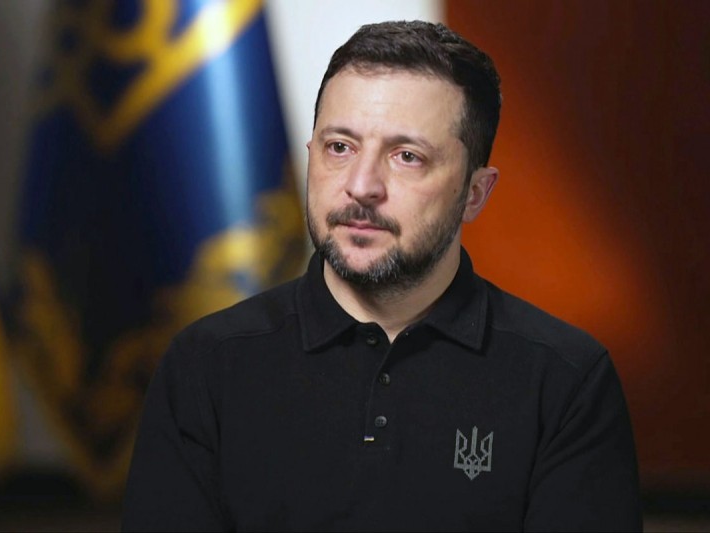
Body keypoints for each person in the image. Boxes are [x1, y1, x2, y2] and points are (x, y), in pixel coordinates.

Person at [122, 20, 641, 531]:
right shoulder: (205, 365)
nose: (362, 185)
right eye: (340, 147)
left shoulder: (566, 380)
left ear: (475, 193)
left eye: (406, 156)